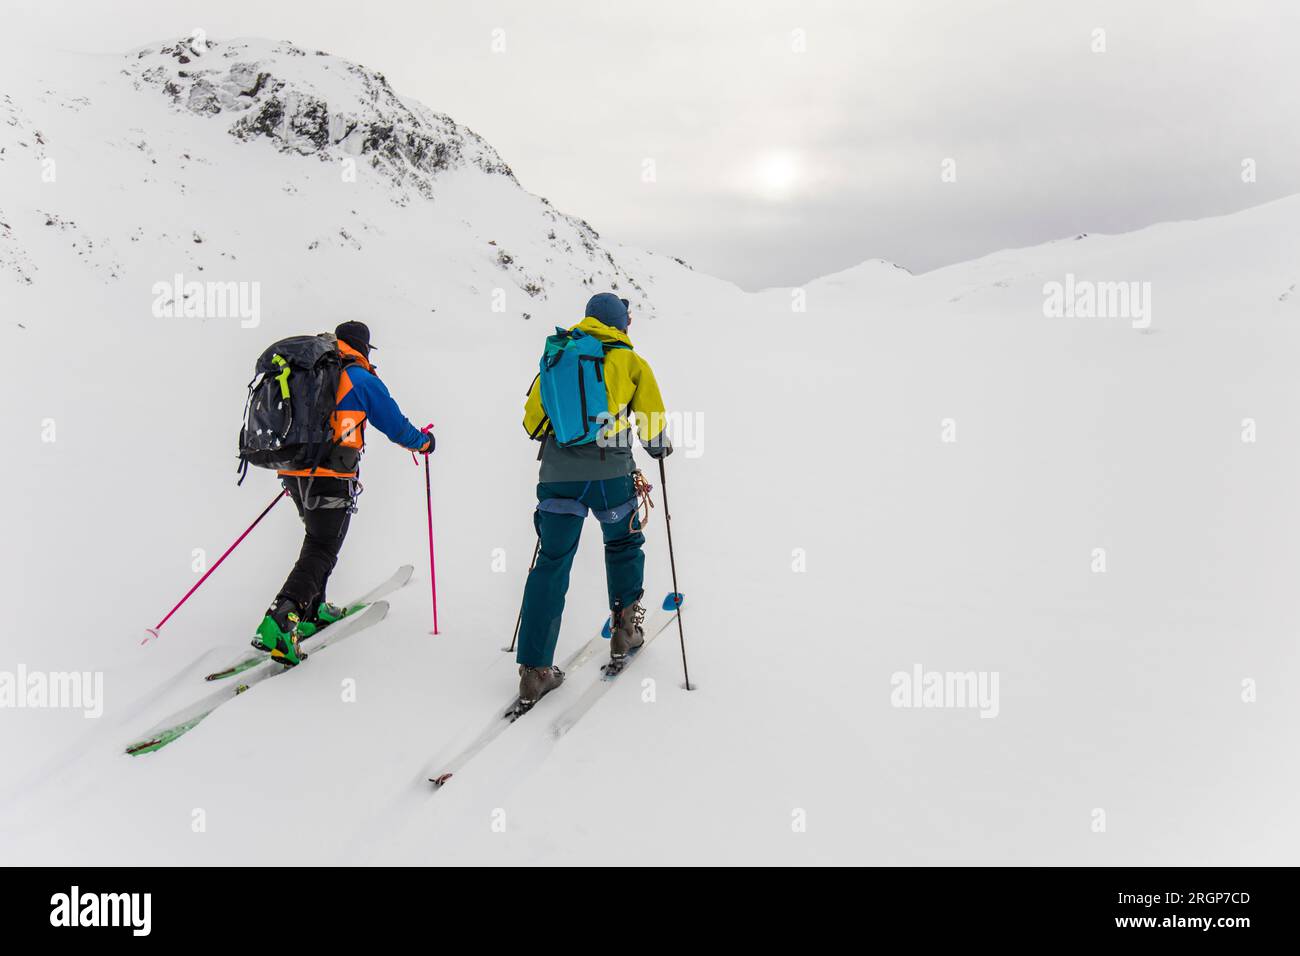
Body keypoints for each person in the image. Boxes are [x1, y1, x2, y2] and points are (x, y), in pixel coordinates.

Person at [516, 292, 672, 704]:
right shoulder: (630, 360)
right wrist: (658, 447)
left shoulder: (557, 356)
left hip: (557, 476)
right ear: (622, 323)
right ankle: (624, 631)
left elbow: (533, 420)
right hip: (610, 475)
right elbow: (651, 421)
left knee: (551, 563)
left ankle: (534, 670)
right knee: (622, 542)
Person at [254, 321, 433, 665]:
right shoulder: (360, 378)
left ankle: (312, 610)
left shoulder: (308, 369)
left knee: (317, 537)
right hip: (332, 474)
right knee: (322, 547)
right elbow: (396, 426)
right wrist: (423, 443)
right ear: (363, 348)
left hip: (293, 470)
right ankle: (279, 621)